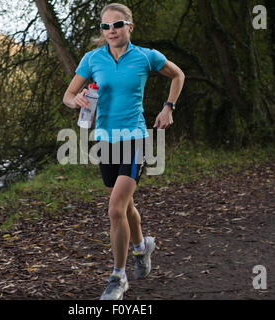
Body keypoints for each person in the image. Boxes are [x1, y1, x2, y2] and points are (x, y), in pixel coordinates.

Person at [63, 3, 184, 300]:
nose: (111, 31)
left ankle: (119, 277)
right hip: (104, 140)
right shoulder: (92, 59)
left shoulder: (146, 56)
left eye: (117, 25)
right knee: (125, 207)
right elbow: (67, 95)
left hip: (135, 139)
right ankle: (143, 247)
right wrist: (75, 100)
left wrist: (168, 108)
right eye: (106, 27)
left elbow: (178, 75)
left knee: (115, 209)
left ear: (130, 26)